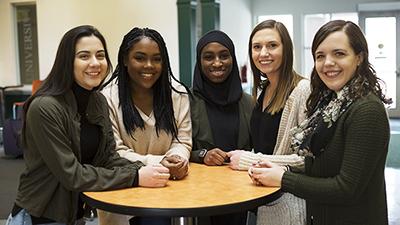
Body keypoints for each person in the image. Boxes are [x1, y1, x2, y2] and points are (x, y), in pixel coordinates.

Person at [5, 25, 171, 225]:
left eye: (100, 56)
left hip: (75, 216)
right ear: (68, 62)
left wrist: (151, 169)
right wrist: (136, 176)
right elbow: (72, 175)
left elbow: (108, 158)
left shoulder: (98, 101)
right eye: (84, 56)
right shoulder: (44, 107)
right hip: (39, 218)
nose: (95, 63)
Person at [249, 20, 392, 225]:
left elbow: (346, 189)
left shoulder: (366, 109)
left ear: (359, 58)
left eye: (339, 54)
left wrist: (283, 179)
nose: (328, 63)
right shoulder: (331, 103)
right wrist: (278, 167)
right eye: (320, 56)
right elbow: (321, 165)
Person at [99, 27, 192, 225]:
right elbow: (115, 152)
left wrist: (178, 159)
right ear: (125, 60)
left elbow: (182, 140)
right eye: (140, 58)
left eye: (157, 59)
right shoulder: (107, 98)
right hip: (125, 188)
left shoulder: (177, 94)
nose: (149, 65)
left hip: (166, 188)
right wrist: (159, 163)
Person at [227, 20, 309, 225]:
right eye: (257, 47)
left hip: (290, 203)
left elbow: (307, 161)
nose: (263, 53)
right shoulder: (265, 90)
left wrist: (248, 160)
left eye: (272, 45)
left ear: (286, 49)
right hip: (265, 199)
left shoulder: (302, 91)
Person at [189, 30, 253, 225]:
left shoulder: (249, 103)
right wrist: (202, 155)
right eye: (208, 57)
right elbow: (174, 149)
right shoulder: (186, 102)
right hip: (200, 196)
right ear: (199, 62)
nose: (217, 63)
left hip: (241, 194)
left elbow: (261, 148)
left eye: (224, 56)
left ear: (232, 59)